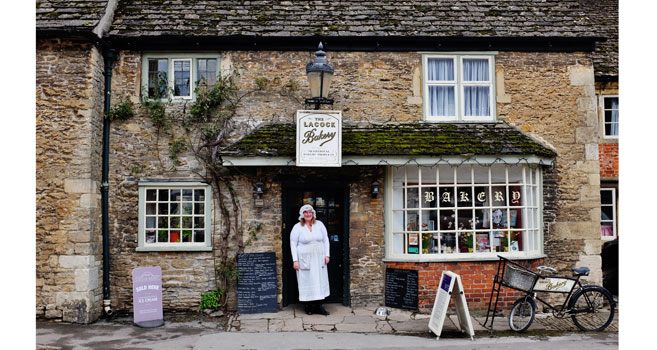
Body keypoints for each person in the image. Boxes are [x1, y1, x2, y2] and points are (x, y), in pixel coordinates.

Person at [290, 204, 331, 315]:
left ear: (313, 214)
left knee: (319, 280)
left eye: (310, 212)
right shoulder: (297, 227)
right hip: (305, 259)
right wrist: (295, 260)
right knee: (307, 281)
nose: (308, 214)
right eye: (306, 212)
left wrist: (327, 255)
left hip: (319, 258)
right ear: (302, 214)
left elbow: (326, 240)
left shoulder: (320, 225)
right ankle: (308, 306)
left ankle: (319, 306)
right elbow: (293, 244)